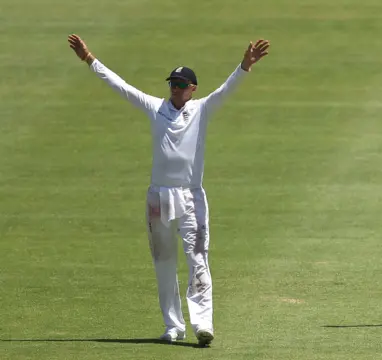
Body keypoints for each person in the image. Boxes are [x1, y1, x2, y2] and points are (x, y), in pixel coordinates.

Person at [67, 34, 270, 344]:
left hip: (191, 197)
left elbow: (225, 90)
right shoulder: (156, 107)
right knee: (163, 263)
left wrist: (244, 66)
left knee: (198, 258)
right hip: (159, 198)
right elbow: (121, 86)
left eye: (180, 84)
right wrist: (89, 59)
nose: (174, 89)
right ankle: (173, 327)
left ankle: (202, 325)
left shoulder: (201, 109)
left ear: (192, 89)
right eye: (172, 84)